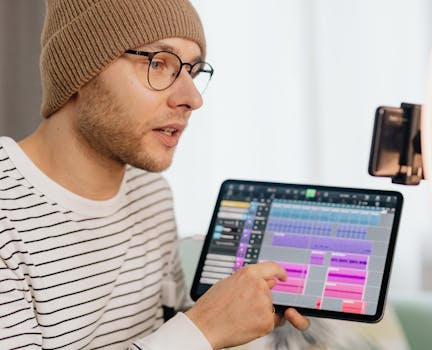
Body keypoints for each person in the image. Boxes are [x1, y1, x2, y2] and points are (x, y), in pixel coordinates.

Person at [0, 0, 310, 349]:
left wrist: (233, 314)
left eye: (193, 72)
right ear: (81, 72)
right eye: (159, 64)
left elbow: (167, 332)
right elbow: (187, 337)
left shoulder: (152, 195)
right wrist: (202, 330)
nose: (192, 98)